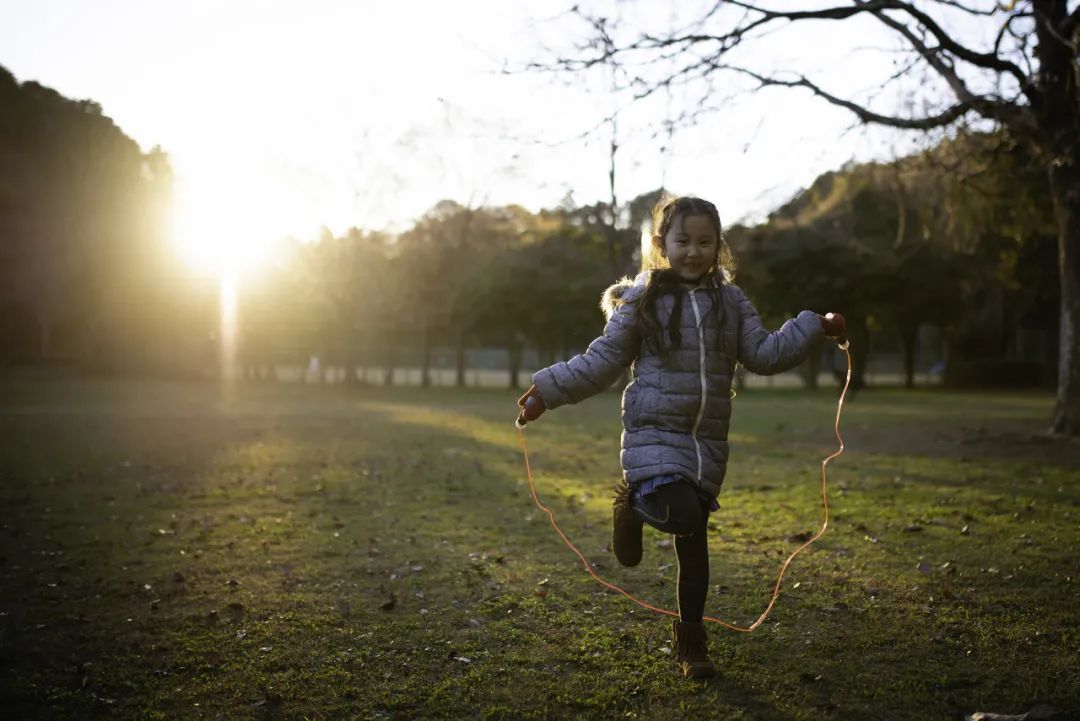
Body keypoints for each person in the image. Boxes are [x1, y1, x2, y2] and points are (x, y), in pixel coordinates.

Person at [516, 195, 847, 679]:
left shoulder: (731, 302)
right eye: (683, 241)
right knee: (684, 514)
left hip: (706, 445)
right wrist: (546, 390)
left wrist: (813, 326)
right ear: (661, 244)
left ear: (718, 246)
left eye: (704, 242)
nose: (693, 251)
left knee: (695, 542)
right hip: (654, 435)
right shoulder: (645, 298)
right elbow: (603, 359)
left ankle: (692, 643)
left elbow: (763, 353)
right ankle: (631, 503)